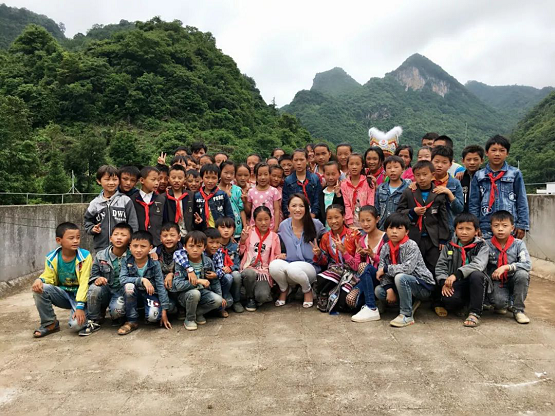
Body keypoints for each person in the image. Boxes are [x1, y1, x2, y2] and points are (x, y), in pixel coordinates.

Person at [31, 222, 92, 337]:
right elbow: (48, 277)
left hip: (81, 297)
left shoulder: (85, 256)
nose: (76, 241)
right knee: (39, 288)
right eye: (71, 238)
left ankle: (91, 315)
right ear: (59, 240)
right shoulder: (52, 257)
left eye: (78, 237)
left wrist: (80, 306)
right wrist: (40, 280)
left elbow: (85, 282)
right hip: (63, 295)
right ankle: (50, 323)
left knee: (76, 325)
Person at [375, 213, 435, 327]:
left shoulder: (411, 245)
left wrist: (386, 269)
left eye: (399, 228)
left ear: (406, 231)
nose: (394, 231)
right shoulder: (385, 247)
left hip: (421, 284)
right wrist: (388, 289)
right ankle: (409, 302)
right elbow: (381, 269)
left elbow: (407, 269)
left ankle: (406, 315)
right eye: (391, 228)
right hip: (400, 284)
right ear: (386, 230)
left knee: (400, 277)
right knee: (379, 291)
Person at [270, 194, 325, 308]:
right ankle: (284, 289)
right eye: (294, 206)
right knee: (274, 265)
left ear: (307, 208)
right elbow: (276, 241)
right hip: (290, 265)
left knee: (293, 268)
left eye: (301, 206)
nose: (298, 209)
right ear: (288, 208)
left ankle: (307, 290)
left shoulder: (315, 224)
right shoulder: (283, 225)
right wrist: (280, 253)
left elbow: (328, 238)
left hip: (310, 268)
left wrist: (320, 252)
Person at [469, 135, 529, 239]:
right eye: (493, 150)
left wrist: (522, 225)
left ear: (507, 153)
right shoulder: (479, 175)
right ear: (487, 153)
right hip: (485, 226)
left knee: (510, 249)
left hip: (509, 225)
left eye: (502, 150)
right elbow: (474, 203)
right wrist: (475, 225)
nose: (497, 154)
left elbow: (522, 200)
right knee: (485, 249)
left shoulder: (515, 173)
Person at [435, 213, 489, 327]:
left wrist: (456, 274)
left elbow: (478, 264)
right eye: (460, 228)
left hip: (476, 283)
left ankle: (475, 313)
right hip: (457, 282)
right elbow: (441, 266)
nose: (464, 232)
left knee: (476, 275)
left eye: (468, 229)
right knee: (448, 299)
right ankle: (464, 306)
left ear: (476, 231)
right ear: (455, 230)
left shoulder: (482, 246)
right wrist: (444, 282)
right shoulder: (450, 246)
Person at [397, 160, 450, 274]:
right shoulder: (409, 192)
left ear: (432, 175)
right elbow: (399, 212)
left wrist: (443, 238)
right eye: (418, 175)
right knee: (414, 267)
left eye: (425, 174)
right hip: (413, 236)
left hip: (433, 238)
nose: (421, 178)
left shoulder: (438, 193)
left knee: (434, 267)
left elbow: (443, 218)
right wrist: (412, 211)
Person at [118, 230, 174, 335]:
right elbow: (122, 279)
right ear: (130, 247)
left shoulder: (155, 264)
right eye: (135, 246)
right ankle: (131, 321)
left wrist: (164, 310)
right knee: (128, 286)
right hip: (134, 295)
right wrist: (142, 280)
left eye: (143, 246)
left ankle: (144, 311)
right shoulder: (126, 261)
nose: (138, 250)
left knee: (154, 317)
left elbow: (160, 286)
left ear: (150, 248)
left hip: (150, 295)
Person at [83, 222, 133, 336]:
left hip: (121, 292)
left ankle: (118, 315)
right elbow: (92, 276)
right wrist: (98, 279)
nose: (119, 237)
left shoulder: (133, 256)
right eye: (116, 234)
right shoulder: (101, 255)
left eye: (123, 235)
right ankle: (94, 319)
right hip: (106, 290)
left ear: (130, 240)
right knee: (94, 288)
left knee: (117, 312)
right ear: (110, 238)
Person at [171, 231, 223, 330]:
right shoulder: (181, 263)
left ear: (204, 247)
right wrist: (198, 281)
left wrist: (220, 296)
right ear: (185, 247)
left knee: (218, 300)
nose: (195, 250)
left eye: (199, 246)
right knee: (195, 293)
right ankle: (189, 319)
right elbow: (178, 285)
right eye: (191, 246)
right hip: (185, 295)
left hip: (202, 292)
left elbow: (215, 281)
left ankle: (197, 313)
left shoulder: (207, 261)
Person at [486, 210, 532, 324]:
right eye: (496, 226)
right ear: (491, 227)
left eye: (505, 226)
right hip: (497, 281)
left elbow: (527, 264)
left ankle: (518, 310)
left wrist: (507, 267)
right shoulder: (487, 244)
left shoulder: (518, 244)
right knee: (499, 304)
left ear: (512, 228)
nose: (500, 229)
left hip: (513, 278)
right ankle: (505, 302)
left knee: (522, 274)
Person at [313, 205, 358, 312]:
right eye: (329, 218)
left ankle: (331, 294)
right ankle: (324, 294)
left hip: (351, 272)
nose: (333, 221)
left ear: (343, 217)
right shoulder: (325, 237)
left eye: (336, 217)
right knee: (322, 278)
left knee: (343, 304)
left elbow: (357, 265)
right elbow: (324, 262)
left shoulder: (354, 235)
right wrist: (319, 254)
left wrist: (344, 252)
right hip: (334, 271)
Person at [345, 206, 386, 322]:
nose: (365, 224)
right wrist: (345, 252)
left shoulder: (385, 238)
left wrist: (373, 256)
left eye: (368, 220)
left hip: (382, 276)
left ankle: (371, 308)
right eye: (362, 221)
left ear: (377, 219)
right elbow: (356, 266)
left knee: (364, 266)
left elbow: (389, 263)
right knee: (351, 300)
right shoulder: (362, 240)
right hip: (368, 278)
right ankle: (375, 302)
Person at [84, 165, 139, 251]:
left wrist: (132, 242)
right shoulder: (95, 203)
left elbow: (133, 224)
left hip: (123, 248)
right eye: (107, 179)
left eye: (114, 179)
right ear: (99, 181)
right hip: (101, 248)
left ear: (119, 181)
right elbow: (87, 222)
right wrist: (92, 229)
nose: (111, 183)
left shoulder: (125, 200)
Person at [239, 207, 283, 311]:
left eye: (266, 219)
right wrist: (242, 241)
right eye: (259, 220)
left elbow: (276, 256)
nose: (263, 223)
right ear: (254, 220)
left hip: (263, 272)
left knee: (262, 296)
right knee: (250, 274)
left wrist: (281, 256)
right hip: (248, 268)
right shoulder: (249, 232)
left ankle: (254, 293)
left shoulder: (274, 236)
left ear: (271, 219)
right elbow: (240, 252)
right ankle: (250, 298)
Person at [431, 146, 464, 230]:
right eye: (436, 161)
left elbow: (459, 209)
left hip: (448, 227)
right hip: (429, 227)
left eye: (444, 162)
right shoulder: (425, 181)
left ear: (450, 165)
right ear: (431, 162)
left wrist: (449, 193)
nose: (439, 165)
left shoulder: (455, 183)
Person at [282, 149, 322, 219]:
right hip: (294, 217)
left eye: (301, 160)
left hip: (312, 217)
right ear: (292, 161)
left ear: (307, 160)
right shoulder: (288, 180)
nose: (299, 163)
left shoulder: (315, 178)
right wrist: (290, 216)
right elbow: (285, 201)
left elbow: (318, 199)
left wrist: (313, 214)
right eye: (296, 160)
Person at [215, 217, 244, 313]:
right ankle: (222, 298)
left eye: (229, 227)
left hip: (229, 273)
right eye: (222, 227)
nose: (226, 230)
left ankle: (236, 300)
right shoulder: (214, 245)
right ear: (216, 229)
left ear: (234, 230)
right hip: (217, 275)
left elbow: (237, 264)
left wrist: (231, 268)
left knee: (236, 275)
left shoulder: (235, 246)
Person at [193, 163, 233, 230]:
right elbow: (195, 215)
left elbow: (229, 214)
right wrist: (197, 222)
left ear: (218, 179)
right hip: (204, 231)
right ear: (202, 178)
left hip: (220, 230)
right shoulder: (197, 196)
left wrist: (230, 229)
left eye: (214, 178)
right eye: (207, 177)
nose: (210, 181)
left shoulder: (222, 195)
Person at [132, 166, 165, 247]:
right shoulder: (132, 199)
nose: (157, 183)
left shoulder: (162, 199)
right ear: (142, 180)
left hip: (156, 243)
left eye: (158, 180)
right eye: (153, 180)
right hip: (137, 243)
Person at [375, 156, 410, 230]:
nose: (392, 170)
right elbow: (377, 209)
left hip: (400, 228)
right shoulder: (381, 188)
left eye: (396, 167)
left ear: (403, 169)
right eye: (389, 168)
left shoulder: (408, 188)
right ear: (385, 171)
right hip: (383, 228)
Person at [341, 153, 375, 228]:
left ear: (362, 166)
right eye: (351, 164)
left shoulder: (368, 183)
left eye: (357, 164)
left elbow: (370, 204)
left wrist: (367, 221)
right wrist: (350, 224)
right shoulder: (344, 184)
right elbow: (347, 205)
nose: (354, 167)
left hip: (367, 222)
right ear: (347, 165)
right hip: (351, 223)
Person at [245, 162, 281, 232]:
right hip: (255, 227)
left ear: (270, 175)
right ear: (255, 176)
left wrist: (276, 226)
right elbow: (248, 210)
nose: (263, 177)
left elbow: (276, 210)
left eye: (265, 174)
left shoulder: (274, 191)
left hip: (270, 226)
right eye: (260, 175)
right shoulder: (251, 191)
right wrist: (245, 202)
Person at [161, 165, 194, 239]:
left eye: (180, 178)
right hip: (171, 236)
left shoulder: (191, 195)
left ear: (185, 179)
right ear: (168, 179)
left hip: (188, 234)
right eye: (173, 178)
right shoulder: (163, 197)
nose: (176, 180)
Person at [219, 161, 246, 239]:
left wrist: (244, 226)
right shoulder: (215, 190)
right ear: (220, 172)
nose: (228, 176)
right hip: (221, 231)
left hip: (237, 229)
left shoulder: (237, 190)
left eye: (232, 173)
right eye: (226, 173)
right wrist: (226, 197)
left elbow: (241, 209)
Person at [458, 145, 485, 212]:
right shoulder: (460, 178)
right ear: (463, 161)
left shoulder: (486, 179)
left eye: (475, 159)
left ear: (482, 161)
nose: (472, 162)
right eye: (468, 160)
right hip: (463, 216)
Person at [318, 161, 344, 227]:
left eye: (333, 174)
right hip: (324, 227)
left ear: (339, 174)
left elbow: (343, 208)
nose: (330, 178)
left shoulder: (343, 190)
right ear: (323, 174)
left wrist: (338, 195)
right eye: (328, 174)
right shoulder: (321, 192)